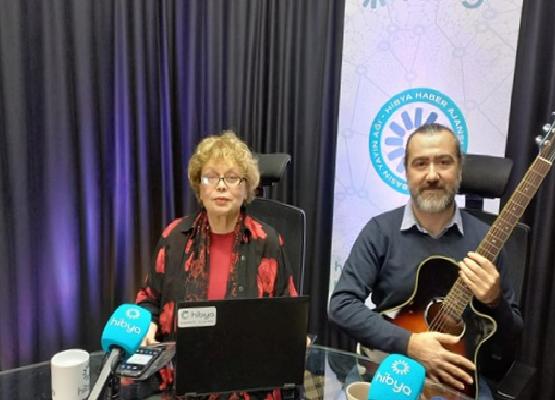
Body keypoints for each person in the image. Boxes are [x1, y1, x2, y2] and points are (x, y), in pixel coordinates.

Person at [328, 123, 523, 399]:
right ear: (407, 172)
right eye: (420, 164)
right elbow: (341, 305)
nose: (432, 175)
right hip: (389, 367)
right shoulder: (380, 231)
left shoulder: (488, 240)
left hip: (456, 380)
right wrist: (410, 343)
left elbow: (512, 338)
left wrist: (495, 301)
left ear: (459, 169)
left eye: (444, 162)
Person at [135, 131, 299, 392]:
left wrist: (291, 335)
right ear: (200, 187)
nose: (221, 186)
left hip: (249, 382)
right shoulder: (174, 236)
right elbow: (148, 299)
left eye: (232, 178)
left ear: (246, 188)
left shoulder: (267, 241)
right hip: (181, 380)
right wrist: (147, 323)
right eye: (211, 177)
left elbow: (287, 313)